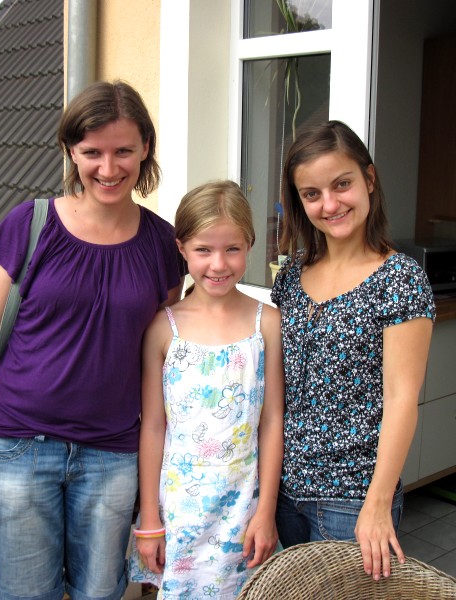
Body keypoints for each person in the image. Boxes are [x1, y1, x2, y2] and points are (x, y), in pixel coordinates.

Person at [0, 80, 185, 600]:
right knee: (25, 593)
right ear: (71, 151)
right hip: (17, 447)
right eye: (92, 152)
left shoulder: (162, 243)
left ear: (145, 148)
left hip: (113, 453)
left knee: (100, 593)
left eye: (123, 151)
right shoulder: (28, 224)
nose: (108, 167)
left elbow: (164, 348)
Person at [271, 120, 435, 581]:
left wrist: (378, 504)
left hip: (351, 499)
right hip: (284, 491)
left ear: (369, 179)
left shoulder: (399, 279)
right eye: (312, 193)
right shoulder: (292, 274)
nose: (330, 204)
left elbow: (402, 399)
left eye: (341, 184)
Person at [129, 180, 285, 599]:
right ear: (181, 248)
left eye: (232, 249)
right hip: (180, 512)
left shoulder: (267, 323)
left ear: (250, 245)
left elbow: (272, 421)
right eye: (203, 250)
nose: (218, 264)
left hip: (244, 510)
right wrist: (150, 519)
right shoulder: (163, 327)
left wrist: (266, 511)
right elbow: (153, 427)